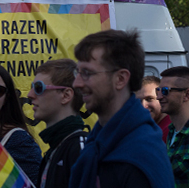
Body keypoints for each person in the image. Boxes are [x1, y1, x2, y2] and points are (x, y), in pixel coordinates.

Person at [69, 30, 174, 188]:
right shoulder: (100, 142)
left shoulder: (138, 157)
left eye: (86, 73)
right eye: (77, 72)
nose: (76, 83)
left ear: (120, 79)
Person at [27, 58, 87, 188]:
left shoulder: (80, 148)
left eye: (38, 88)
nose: (30, 94)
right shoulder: (55, 148)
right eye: (32, 88)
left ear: (66, 96)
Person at [135, 75, 172, 142]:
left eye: (149, 99)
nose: (143, 106)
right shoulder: (153, 129)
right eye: (139, 101)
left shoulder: (169, 131)